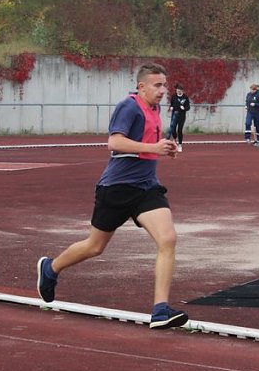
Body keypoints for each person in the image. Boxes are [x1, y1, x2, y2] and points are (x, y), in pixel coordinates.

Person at [35, 62, 188, 330]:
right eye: (158, 85)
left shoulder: (155, 108)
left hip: (146, 188)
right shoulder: (128, 107)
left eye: (165, 84)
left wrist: (165, 149)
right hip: (116, 188)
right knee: (95, 246)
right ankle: (51, 268)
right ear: (141, 87)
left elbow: (147, 148)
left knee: (168, 238)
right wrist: (153, 147)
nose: (164, 90)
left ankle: (160, 310)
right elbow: (114, 143)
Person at [166, 83, 190, 152]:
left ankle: (180, 145)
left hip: (181, 116)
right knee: (173, 129)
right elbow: (172, 104)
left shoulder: (185, 97)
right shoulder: (174, 96)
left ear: (182, 91)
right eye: (177, 90)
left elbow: (188, 107)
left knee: (179, 130)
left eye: (180, 90)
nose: (178, 91)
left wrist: (184, 108)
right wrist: (171, 107)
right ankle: (175, 139)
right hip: (174, 115)